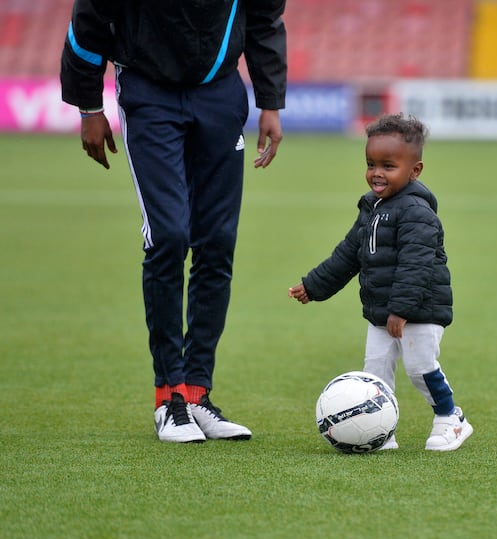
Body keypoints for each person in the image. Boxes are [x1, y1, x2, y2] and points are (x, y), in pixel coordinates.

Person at [60, 1, 287, 443]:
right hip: (149, 90)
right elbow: (90, 17)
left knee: (217, 241)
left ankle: (197, 393)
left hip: (220, 93)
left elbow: (264, 21)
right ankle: (168, 398)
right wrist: (89, 105)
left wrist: (271, 102)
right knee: (168, 236)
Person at [289, 114, 473, 452]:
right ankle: (380, 431)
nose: (377, 172)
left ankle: (451, 418)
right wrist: (313, 286)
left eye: (388, 166)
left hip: (419, 308)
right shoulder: (371, 207)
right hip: (382, 311)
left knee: (419, 368)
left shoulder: (417, 213)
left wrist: (401, 310)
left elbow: (416, 265)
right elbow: (348, 254)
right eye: (371, 164)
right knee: (374, 372)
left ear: (414, 170)